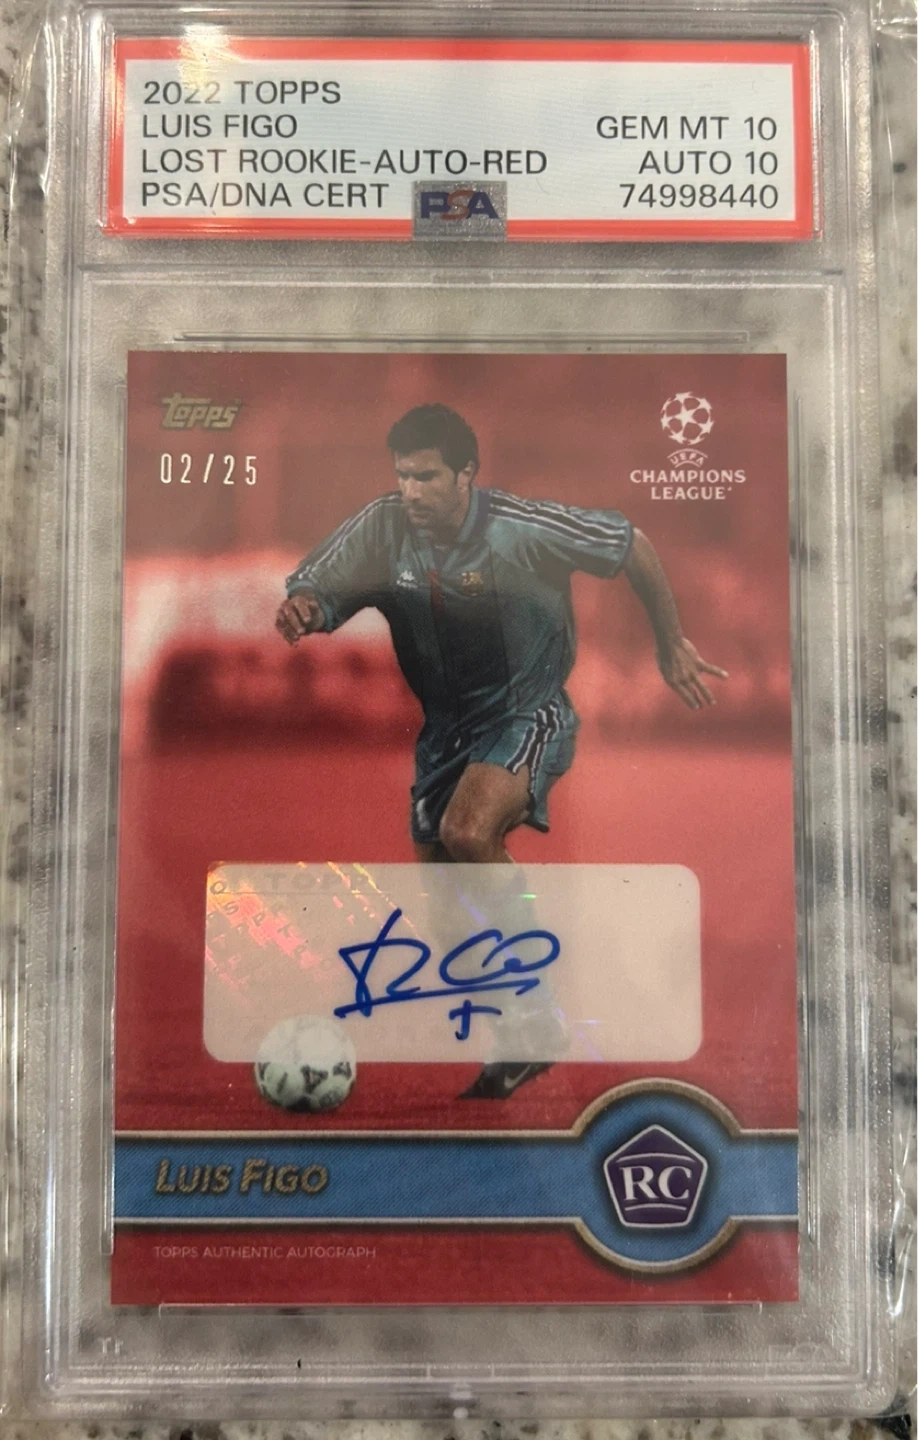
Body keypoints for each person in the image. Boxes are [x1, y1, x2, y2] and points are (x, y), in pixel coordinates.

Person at [276, 403, 727, 1097]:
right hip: (444, 735)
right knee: (446, 914)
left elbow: (629, 541)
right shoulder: (384, 525)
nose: (412, 491)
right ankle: (523, 1030)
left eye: (428, 477)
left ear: (466, 474)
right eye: (403, 476)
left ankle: (543, 1008)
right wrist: (305, 605)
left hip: (528, 713)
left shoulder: (524, 527)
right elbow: (317, 582)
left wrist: (670, 644)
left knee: (468, 831)